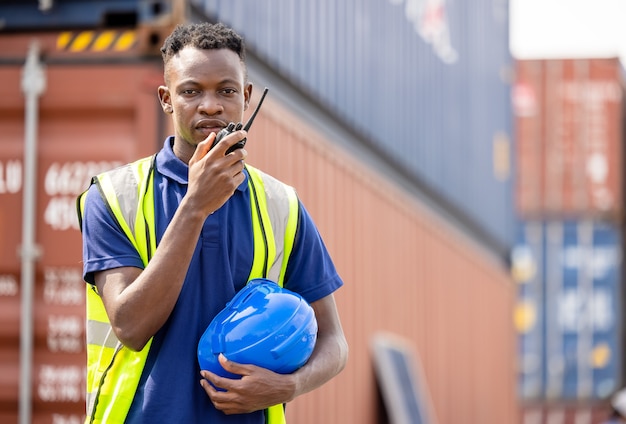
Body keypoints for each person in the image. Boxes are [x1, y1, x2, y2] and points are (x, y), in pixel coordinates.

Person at [78, 22, 348, 423]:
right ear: (166, 99)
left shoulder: (282, 206)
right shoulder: (114, 197)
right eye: (191, 91)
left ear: (247, 96)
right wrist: (195, 205)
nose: (210, 105)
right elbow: (130, 326)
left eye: (226, 90)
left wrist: (289, 386)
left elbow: (334, 342)